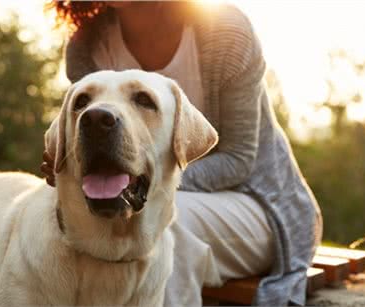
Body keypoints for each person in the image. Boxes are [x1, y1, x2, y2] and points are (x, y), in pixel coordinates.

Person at [41, 1, 322, 306]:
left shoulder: (225, 30)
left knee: (161, 221)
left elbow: (239, 160)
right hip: (133, 201)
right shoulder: (86, 44)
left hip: (260, 204)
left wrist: (153, 184)